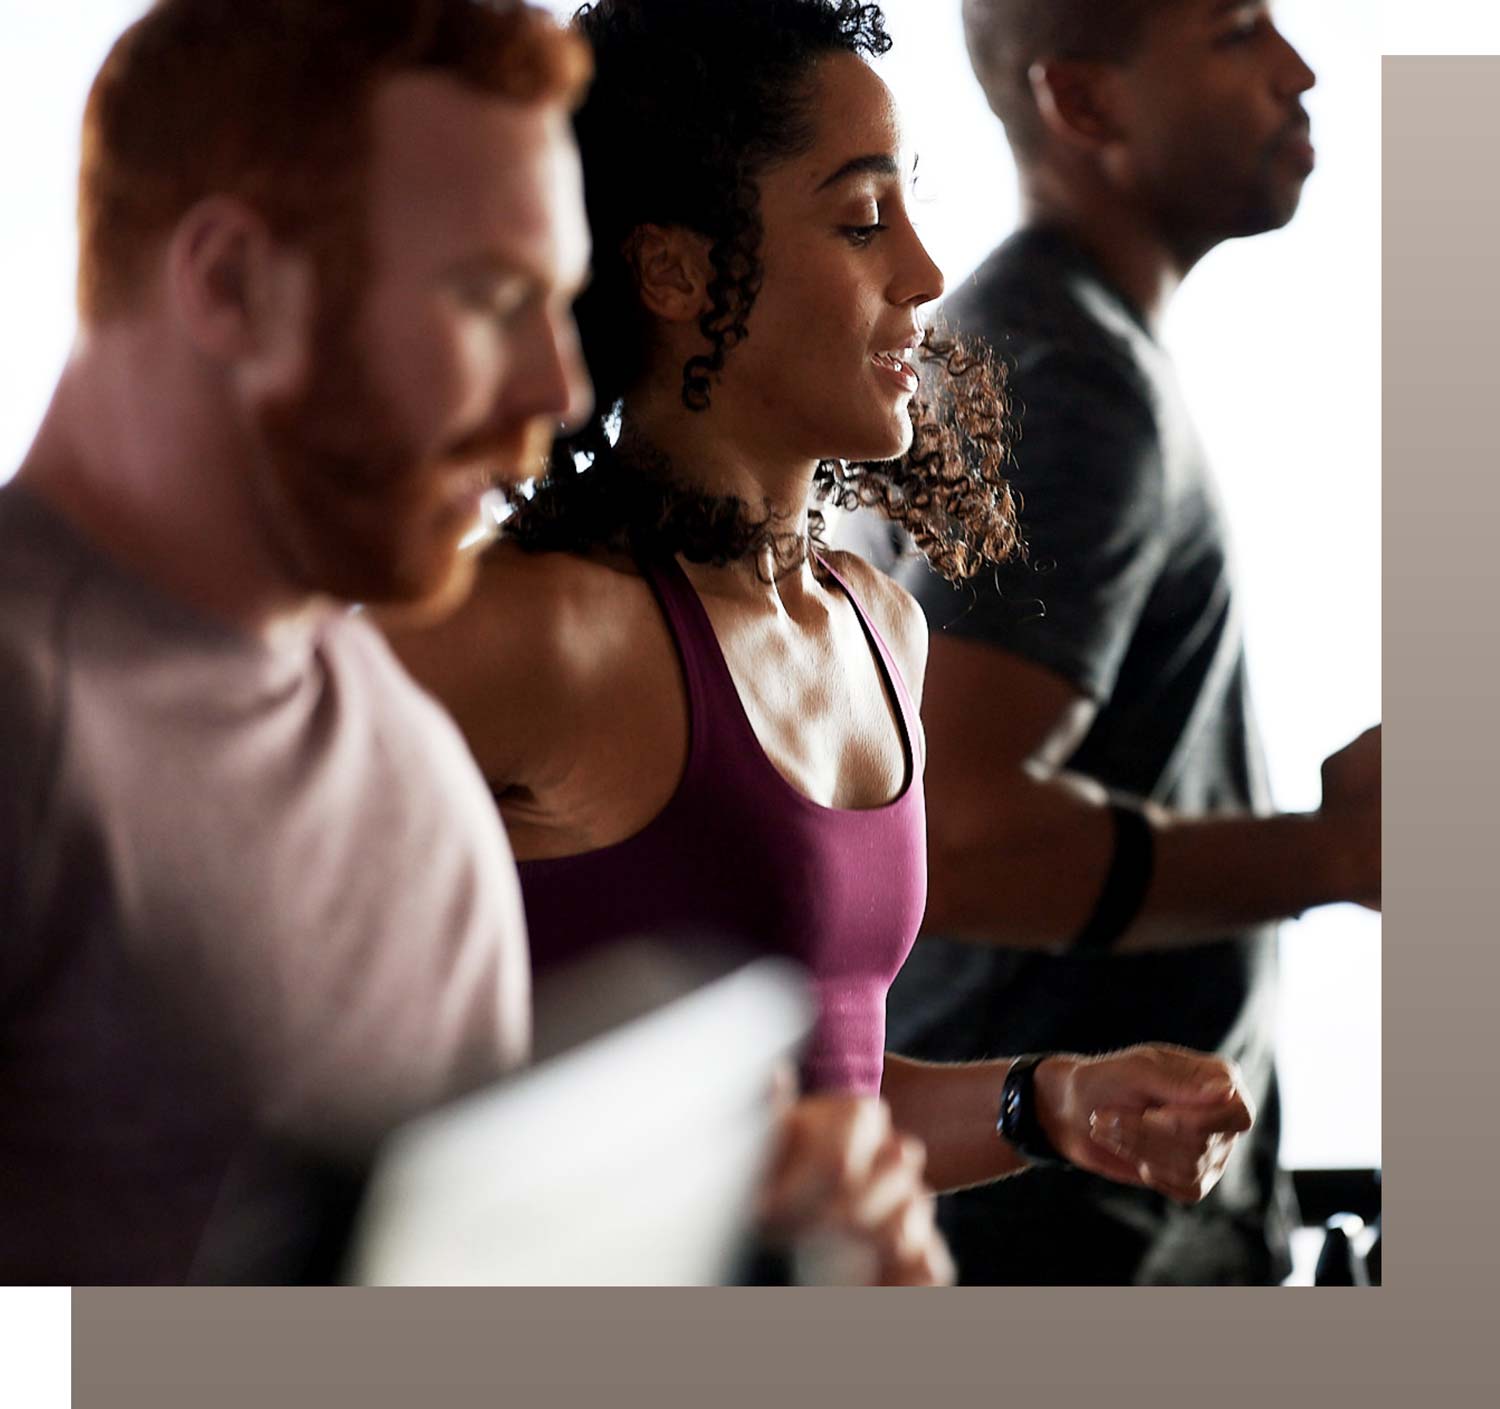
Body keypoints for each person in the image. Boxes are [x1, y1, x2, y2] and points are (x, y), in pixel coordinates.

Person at [0, 0, 940, 1288]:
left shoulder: (405, 766)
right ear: (226, 284)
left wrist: (729, 1226)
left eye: (556, 302)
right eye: (491, 297)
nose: (557, 390)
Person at [387, 0, 1258, 1255]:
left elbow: (820, 1105)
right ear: (675, 270)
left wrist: (1045, 1100)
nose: (925, 270)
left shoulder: (878, 626)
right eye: (862, 219)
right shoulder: (530, 627)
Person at [866, 0, 1381, 1284]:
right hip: (1061, 1235)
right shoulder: (1065, 382)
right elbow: (961, 828)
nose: (1300, 70)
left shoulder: (1042, 348)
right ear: (1084, 105)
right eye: (1238, 32)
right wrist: (1330, 852)